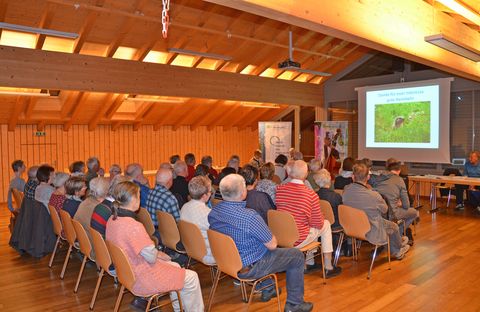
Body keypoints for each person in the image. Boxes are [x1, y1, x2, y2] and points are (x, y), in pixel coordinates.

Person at [209, 174, 313, 312]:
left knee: (257, 246)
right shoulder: (250, 216)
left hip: (226, 262)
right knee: (296, 256)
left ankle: (268, 287)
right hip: (250, 267)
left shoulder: (214, 211)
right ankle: (295, 304)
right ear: (242, 192)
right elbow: (272, 245)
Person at [106, 181, 204, 312]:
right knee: (192, 278)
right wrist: (156, 251)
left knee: (175, 266)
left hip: (127, 272)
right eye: (139, 196)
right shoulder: (133, 226)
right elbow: (151, 258)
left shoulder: (112, 219)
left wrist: (156, 253)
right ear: (134, 199)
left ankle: (179, 309)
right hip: (143, 277)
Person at [276, 160, 342, 277]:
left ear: (291, 173)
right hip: (299, 238)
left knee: (310, 224)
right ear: (306, 175)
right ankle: (328, 266)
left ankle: (310, 262)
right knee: (325, 224)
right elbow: (318, 223)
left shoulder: (280, 190)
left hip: (282, 236)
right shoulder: (310, 195)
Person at [342, 163, 410, 260]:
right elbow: (385, 210)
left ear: (353, 177)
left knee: (390, 226)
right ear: (368, 177)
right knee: (394, 226)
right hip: (371, 229)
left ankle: (398, 243)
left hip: (351, 227)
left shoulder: (346, 190)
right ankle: (398, 250)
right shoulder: (374, 195)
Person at [374, 158, 419, 244]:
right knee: (414, 212)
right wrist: (400, 203)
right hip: (391, 213)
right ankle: (399, 232)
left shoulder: (378, 178)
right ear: (399, 170)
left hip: (378, 212)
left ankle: (396, 233)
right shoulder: (399, 180)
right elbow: (406, 205)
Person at [180, 176, 215, 265]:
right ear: (204, 196)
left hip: (190, 248)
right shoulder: (208, 214)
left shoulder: (184, 207)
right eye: (210, 192)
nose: (211, 194)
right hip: (208, 254)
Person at [74, 177, 110, 259]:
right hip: (97, 250)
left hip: (85, 244)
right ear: (106, 191)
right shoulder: (99, 209)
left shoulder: (85, 202)